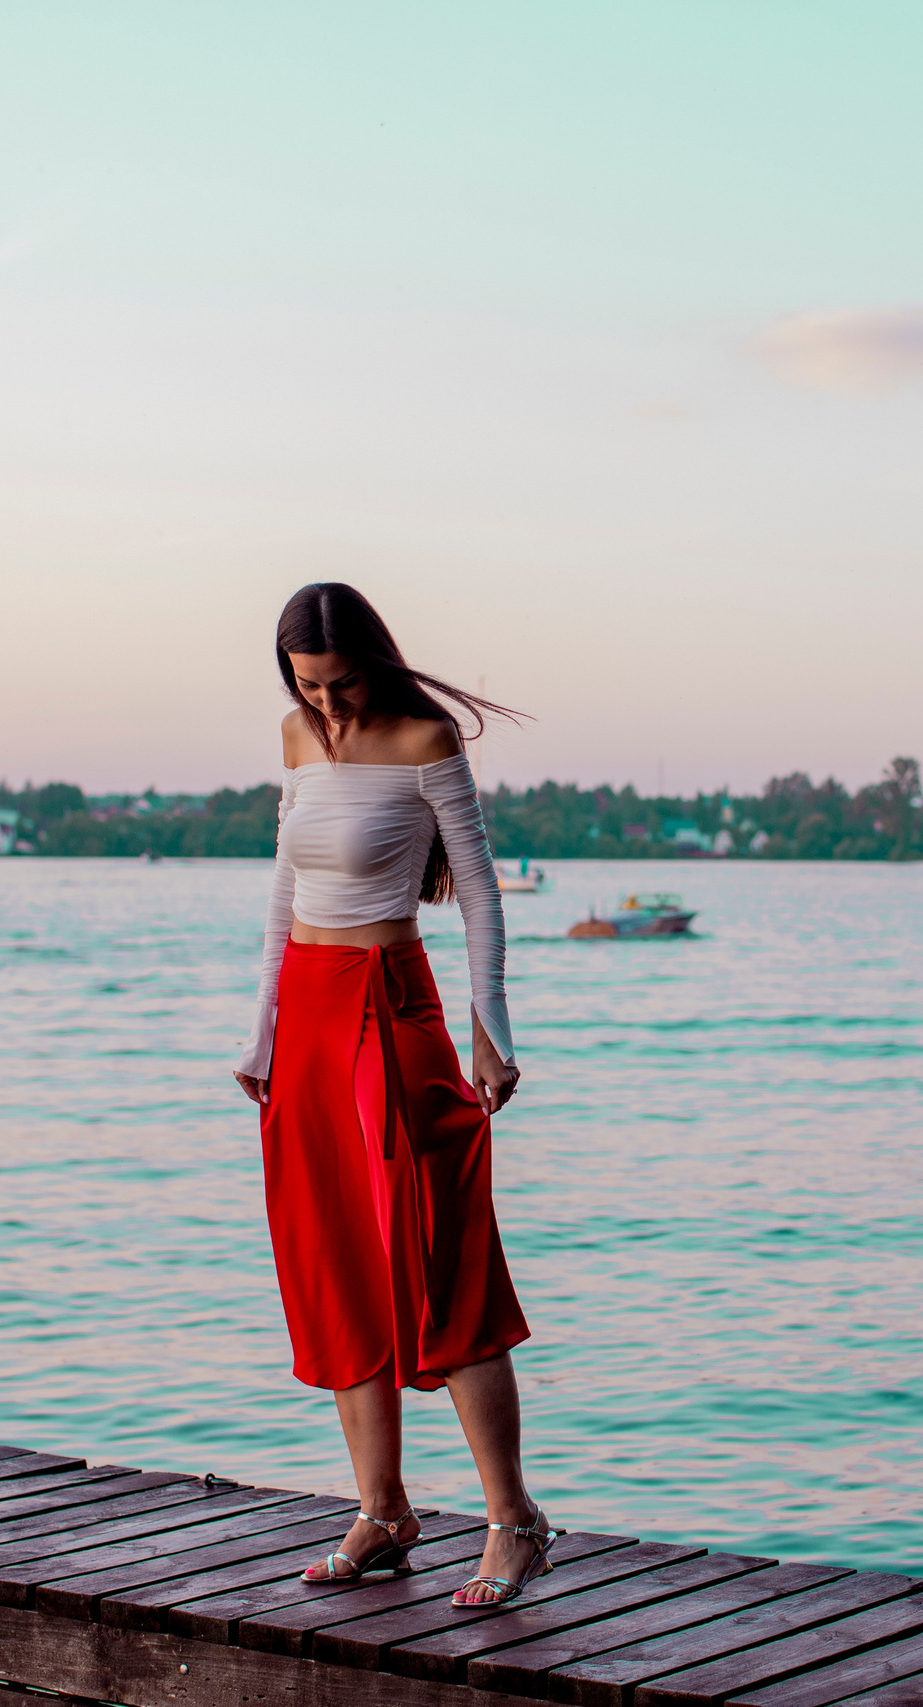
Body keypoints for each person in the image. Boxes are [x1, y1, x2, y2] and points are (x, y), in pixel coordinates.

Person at [233, 583, 559, 1608]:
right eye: (309, 689)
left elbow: (478, 888)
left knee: (441, 1264)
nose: (326, 708)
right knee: (331, 1262)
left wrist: (491, 1030)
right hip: (311, 1021)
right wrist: (261, 1034)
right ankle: (384, 1511)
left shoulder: (424, 740)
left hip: (394, 1007)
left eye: (341, 685)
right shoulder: (295, 737)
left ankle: (515, 1523)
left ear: (374, 661)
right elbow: (285, 891)